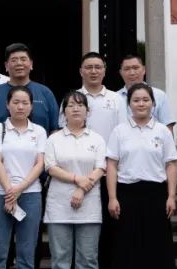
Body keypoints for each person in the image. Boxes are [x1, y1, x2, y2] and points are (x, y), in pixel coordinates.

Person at [106, 83, 177, 269]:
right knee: (126, 243)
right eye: (136, 100)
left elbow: (170, 164)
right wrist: (112, 197)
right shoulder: (119, 131)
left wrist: (171, 196)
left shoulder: (162, 131)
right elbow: (111, 165)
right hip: (126, 193)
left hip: (156, 193)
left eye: (146, 100)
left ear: (153, 103)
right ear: (129, 104)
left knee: (157, 243)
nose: (141, 104)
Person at [0, 85, 47, 269]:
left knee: (27, 252)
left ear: (31, 106)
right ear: (7, 104)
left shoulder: (39, 131)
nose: (20, 107)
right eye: (16, 102)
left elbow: (40, 164)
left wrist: (19, 189)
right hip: (0, 193)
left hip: (30, 194)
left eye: (25, 103)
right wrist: (10, 191)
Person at [45, 90, 106, 269]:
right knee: (60, 260)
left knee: (87, 260)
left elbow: (101, 168)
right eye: (70, 105)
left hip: (89, 206)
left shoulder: (97, 139)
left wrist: (81, 189)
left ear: (88, 111)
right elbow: (51, 167)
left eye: (80, 105)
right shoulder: (54, 139)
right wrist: (77, 179)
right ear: (64, 112)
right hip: (59, 205)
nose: (75, 109)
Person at [116, 54, 175, 133]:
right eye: (127, 69)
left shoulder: (159, 95)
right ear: (121, 72)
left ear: (144, 70)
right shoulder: (115, 97)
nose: (132, 73)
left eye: (136, 68)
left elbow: (168, 128)